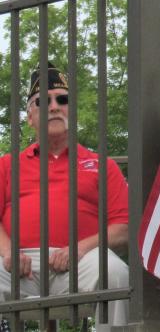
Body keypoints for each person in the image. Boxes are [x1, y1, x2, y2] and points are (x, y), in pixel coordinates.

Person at [0, 64, 129, 330]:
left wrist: (80, 248)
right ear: (30, 116)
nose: (54, 106)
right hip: (19, 263)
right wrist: (8, 251)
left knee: (116, 274)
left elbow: (123, 228)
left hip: (81, 260)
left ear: (73, 110)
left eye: (63, 99)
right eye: (42, 101)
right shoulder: (6, 165)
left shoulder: (101, 164)